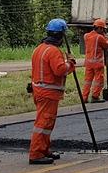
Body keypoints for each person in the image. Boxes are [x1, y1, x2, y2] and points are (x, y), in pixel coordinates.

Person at [28, 18, 76, 165]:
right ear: (61, 36)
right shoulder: (54, 51)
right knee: (43, 123)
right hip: (48, 93)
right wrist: (71, 63)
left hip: (40, 90)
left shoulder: (39, 48)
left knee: (46, 123)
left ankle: (44, 149)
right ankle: (36, 153)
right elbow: (60, 70)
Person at [82, 18, 108, 103]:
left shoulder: (86, 36)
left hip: (88, 63)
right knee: (99, 80)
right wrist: (107, 38)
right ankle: (95, 96)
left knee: (87, 81)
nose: (104, 31)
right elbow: (106, 45)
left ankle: (84, 97)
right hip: (97, 63)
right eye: (103, 29)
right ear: (100, 28)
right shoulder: (100, 37)